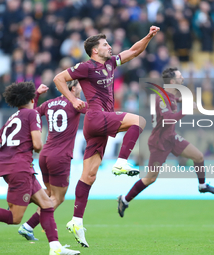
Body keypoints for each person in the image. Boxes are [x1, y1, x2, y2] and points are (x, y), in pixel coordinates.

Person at [53, 26, 160, 247]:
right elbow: (58, 79)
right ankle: (121, 162)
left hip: (98, 124)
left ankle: (76, 220)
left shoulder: (111, 63)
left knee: (89, 176)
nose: (109, 47)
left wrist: (149, 36)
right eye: (105, 44)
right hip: (95, 117)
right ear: (94, 50)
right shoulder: (85, 67)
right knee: (139, 121)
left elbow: (134, 51)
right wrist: (73, 101)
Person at [0, 82, 80, 255]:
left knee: (47, 204)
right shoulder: (28, 115)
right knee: (14, 218)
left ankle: (56, 248)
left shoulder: (14, 116)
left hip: (15, 166)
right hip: (20, 168)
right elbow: (37, 145)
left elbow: (3, 135)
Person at [117, 67, 214, 218]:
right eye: (180, 77)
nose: (183, 79)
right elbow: (168, 119)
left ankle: (202, 186)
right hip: (159, 142)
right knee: (150, 178)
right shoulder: (161, 98)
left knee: (198, 157)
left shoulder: (170, 96)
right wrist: (186, 109)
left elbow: (174, 101)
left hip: (171, 137)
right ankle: (124, 200)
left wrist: (183, 100)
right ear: (173, 82)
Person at [18, 80, 87, 241]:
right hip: (60, 157)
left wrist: (36, 95)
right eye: (79, 86)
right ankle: (28, 226)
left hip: (45, 154)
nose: (81, 89)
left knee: (49, 193)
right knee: (58, 198)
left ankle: (23, 199)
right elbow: (97, 113)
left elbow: (31, 113)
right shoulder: (76, 104)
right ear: (71, 88)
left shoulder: (49, 103)